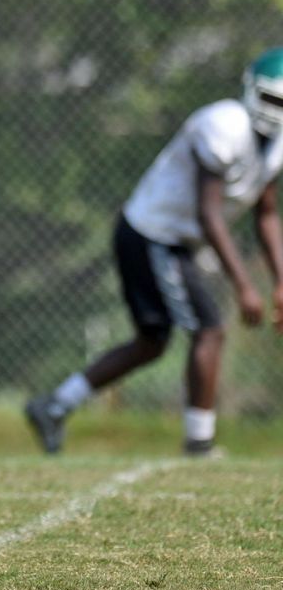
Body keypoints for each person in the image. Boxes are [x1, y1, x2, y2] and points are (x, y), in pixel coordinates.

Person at [26, 48, 283, 456]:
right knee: (209, 329)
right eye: (272, 100)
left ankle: (54, 405)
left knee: (152, 342)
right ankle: (199, 441)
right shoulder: (223, 125)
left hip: (172, 240)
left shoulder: (275, 145)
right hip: (151, 233)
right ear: (251, 91)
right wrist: (245, 286)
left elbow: (266, 212)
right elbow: (210, 214)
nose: (277, 113)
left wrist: (280, 282)